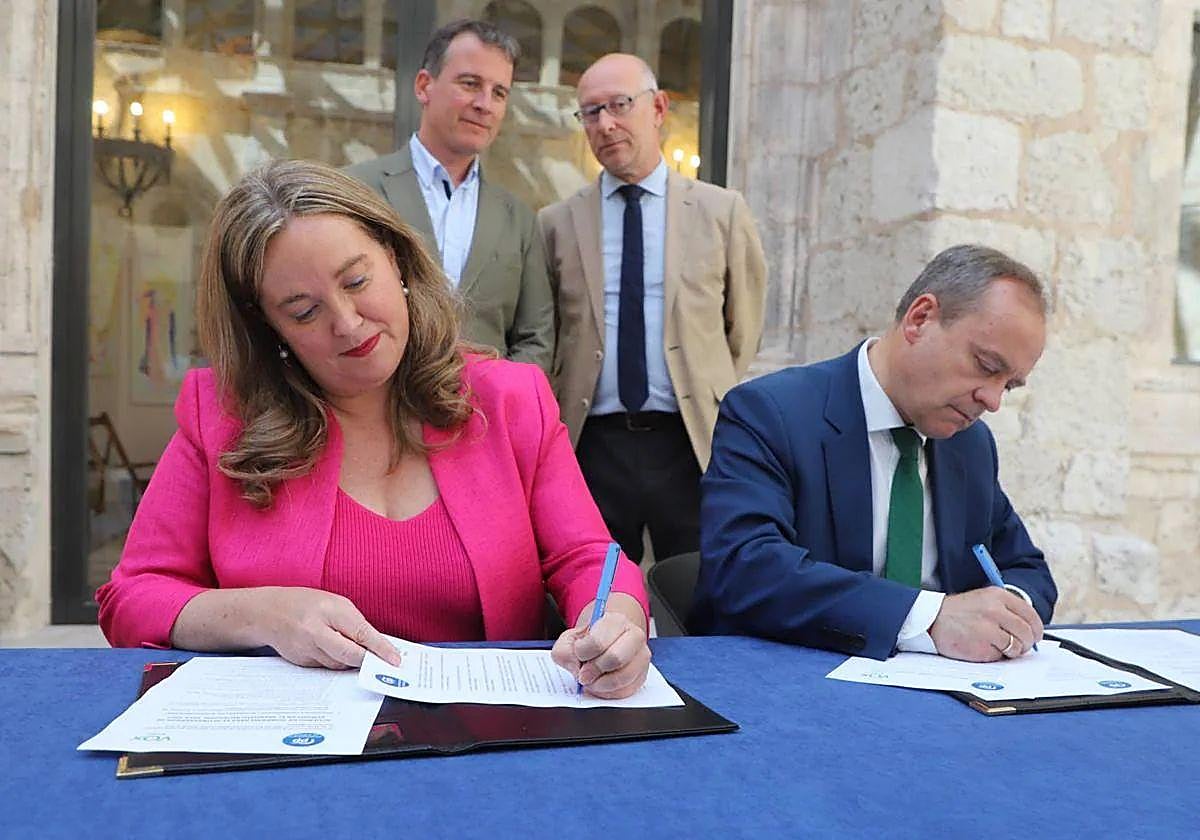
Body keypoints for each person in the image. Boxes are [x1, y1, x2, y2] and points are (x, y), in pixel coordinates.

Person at [97, 160, 650, 699]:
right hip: (297, 741)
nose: (347, 322)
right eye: (303, 311)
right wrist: (261, 614)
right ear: (268, 326)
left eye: (357, 281)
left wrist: (615, 625)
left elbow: (588, 559)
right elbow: (132, 597)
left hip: (484, 731)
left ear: (396, 258)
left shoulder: (510, 398)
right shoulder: (222, 416)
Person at [690, 244, 1057, 662]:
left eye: (1009, 385)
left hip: (939, 685)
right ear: (920, 318)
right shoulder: (771, 413)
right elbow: (745, 569)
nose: (992, 400)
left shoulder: (970, 445)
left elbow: (1027, 569)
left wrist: (1004, 615)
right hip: (789, 675)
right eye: (987, 366)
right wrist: (928, 619)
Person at [539, 53, 766, 565]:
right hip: (592, 445)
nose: (605, 124)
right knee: (595, 584)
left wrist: (705, 381)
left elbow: (743, 328)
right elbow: (549, 333)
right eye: (590, 112)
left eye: (619, 105)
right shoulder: (556, 223)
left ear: (659, 108)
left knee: (697, 585)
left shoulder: (721, 211)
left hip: (690, 439)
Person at [345, 19, 554, 372]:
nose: (485, 104)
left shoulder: (518, 219)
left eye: (499, 93)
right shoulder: (356, 191)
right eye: (470, 84)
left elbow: (537, 338)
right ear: (424, 86)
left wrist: (496, 396)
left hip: (486, 404)